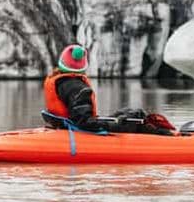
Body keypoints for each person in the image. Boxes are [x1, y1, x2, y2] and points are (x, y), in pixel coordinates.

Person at [43, 44, 174, 135]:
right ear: (83, 65)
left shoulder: (59, 80)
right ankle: (170, 139)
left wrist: (112, 120)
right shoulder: (78, 89)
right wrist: (114, 124)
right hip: (80, 129)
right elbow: (84, 122)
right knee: (136, 117)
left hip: (66, 125)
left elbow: (81, 117)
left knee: (131, 113)